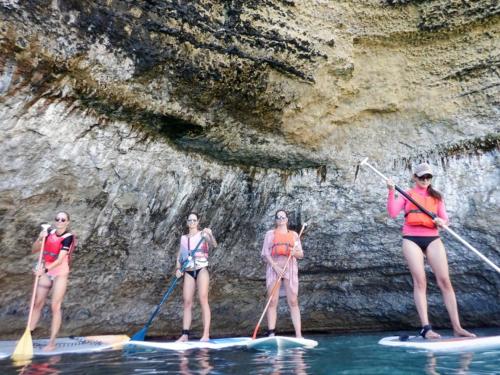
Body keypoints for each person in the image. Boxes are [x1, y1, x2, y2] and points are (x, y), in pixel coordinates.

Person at [387, 163, 475, 339]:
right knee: (420, 281)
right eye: (421, 177)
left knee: (445, 282)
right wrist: (391, 191)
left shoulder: (437, 197)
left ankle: (457, 328)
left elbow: (445, 219)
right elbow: (392, 213)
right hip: (411, 239)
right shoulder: (407, 194)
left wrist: (442, 222)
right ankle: (426, 329)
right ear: (415, 177)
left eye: (428, 177)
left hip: (433, 238)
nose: (425, 180)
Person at [31, 211, 75, 351]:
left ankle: (52, 342)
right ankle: (28, 335)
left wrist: (43, 270)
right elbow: (34, 250)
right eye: (58, 219)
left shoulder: (69, 237)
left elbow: (60, 259)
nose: (60, 221)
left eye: (63, 219)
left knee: (55, 306)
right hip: (46, 270)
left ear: (67, 222)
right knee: (37, 303)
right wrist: (39, 238)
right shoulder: (48, 232)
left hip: (59, 273)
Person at [261, 209, 304, 338]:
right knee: (272, 301)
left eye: (283, 217)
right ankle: (271, 333)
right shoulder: (270, 234)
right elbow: (265, 254)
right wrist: (275, 267)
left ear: (286, 219)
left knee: (293, 300)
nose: (281, 220)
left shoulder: (295, 235)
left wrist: (294, 253)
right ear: (275, 220)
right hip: (274, 266)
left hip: (289, 266)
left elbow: (300, 254)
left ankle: (298, 334)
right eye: (278, 217)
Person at [175, 212, 217, 342]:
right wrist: (177, 268)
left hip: (201, 269)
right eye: (190, 220)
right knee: (187, 302)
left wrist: (209, 234)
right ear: (187, 222)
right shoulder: (183, 238)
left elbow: (214, 244)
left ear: (198, 222)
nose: (192, 223)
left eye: (194, 220)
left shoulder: (203, 234)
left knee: (203, 299)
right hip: (188, 271)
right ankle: (185, 335)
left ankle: (205, 334)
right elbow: (180, 255)